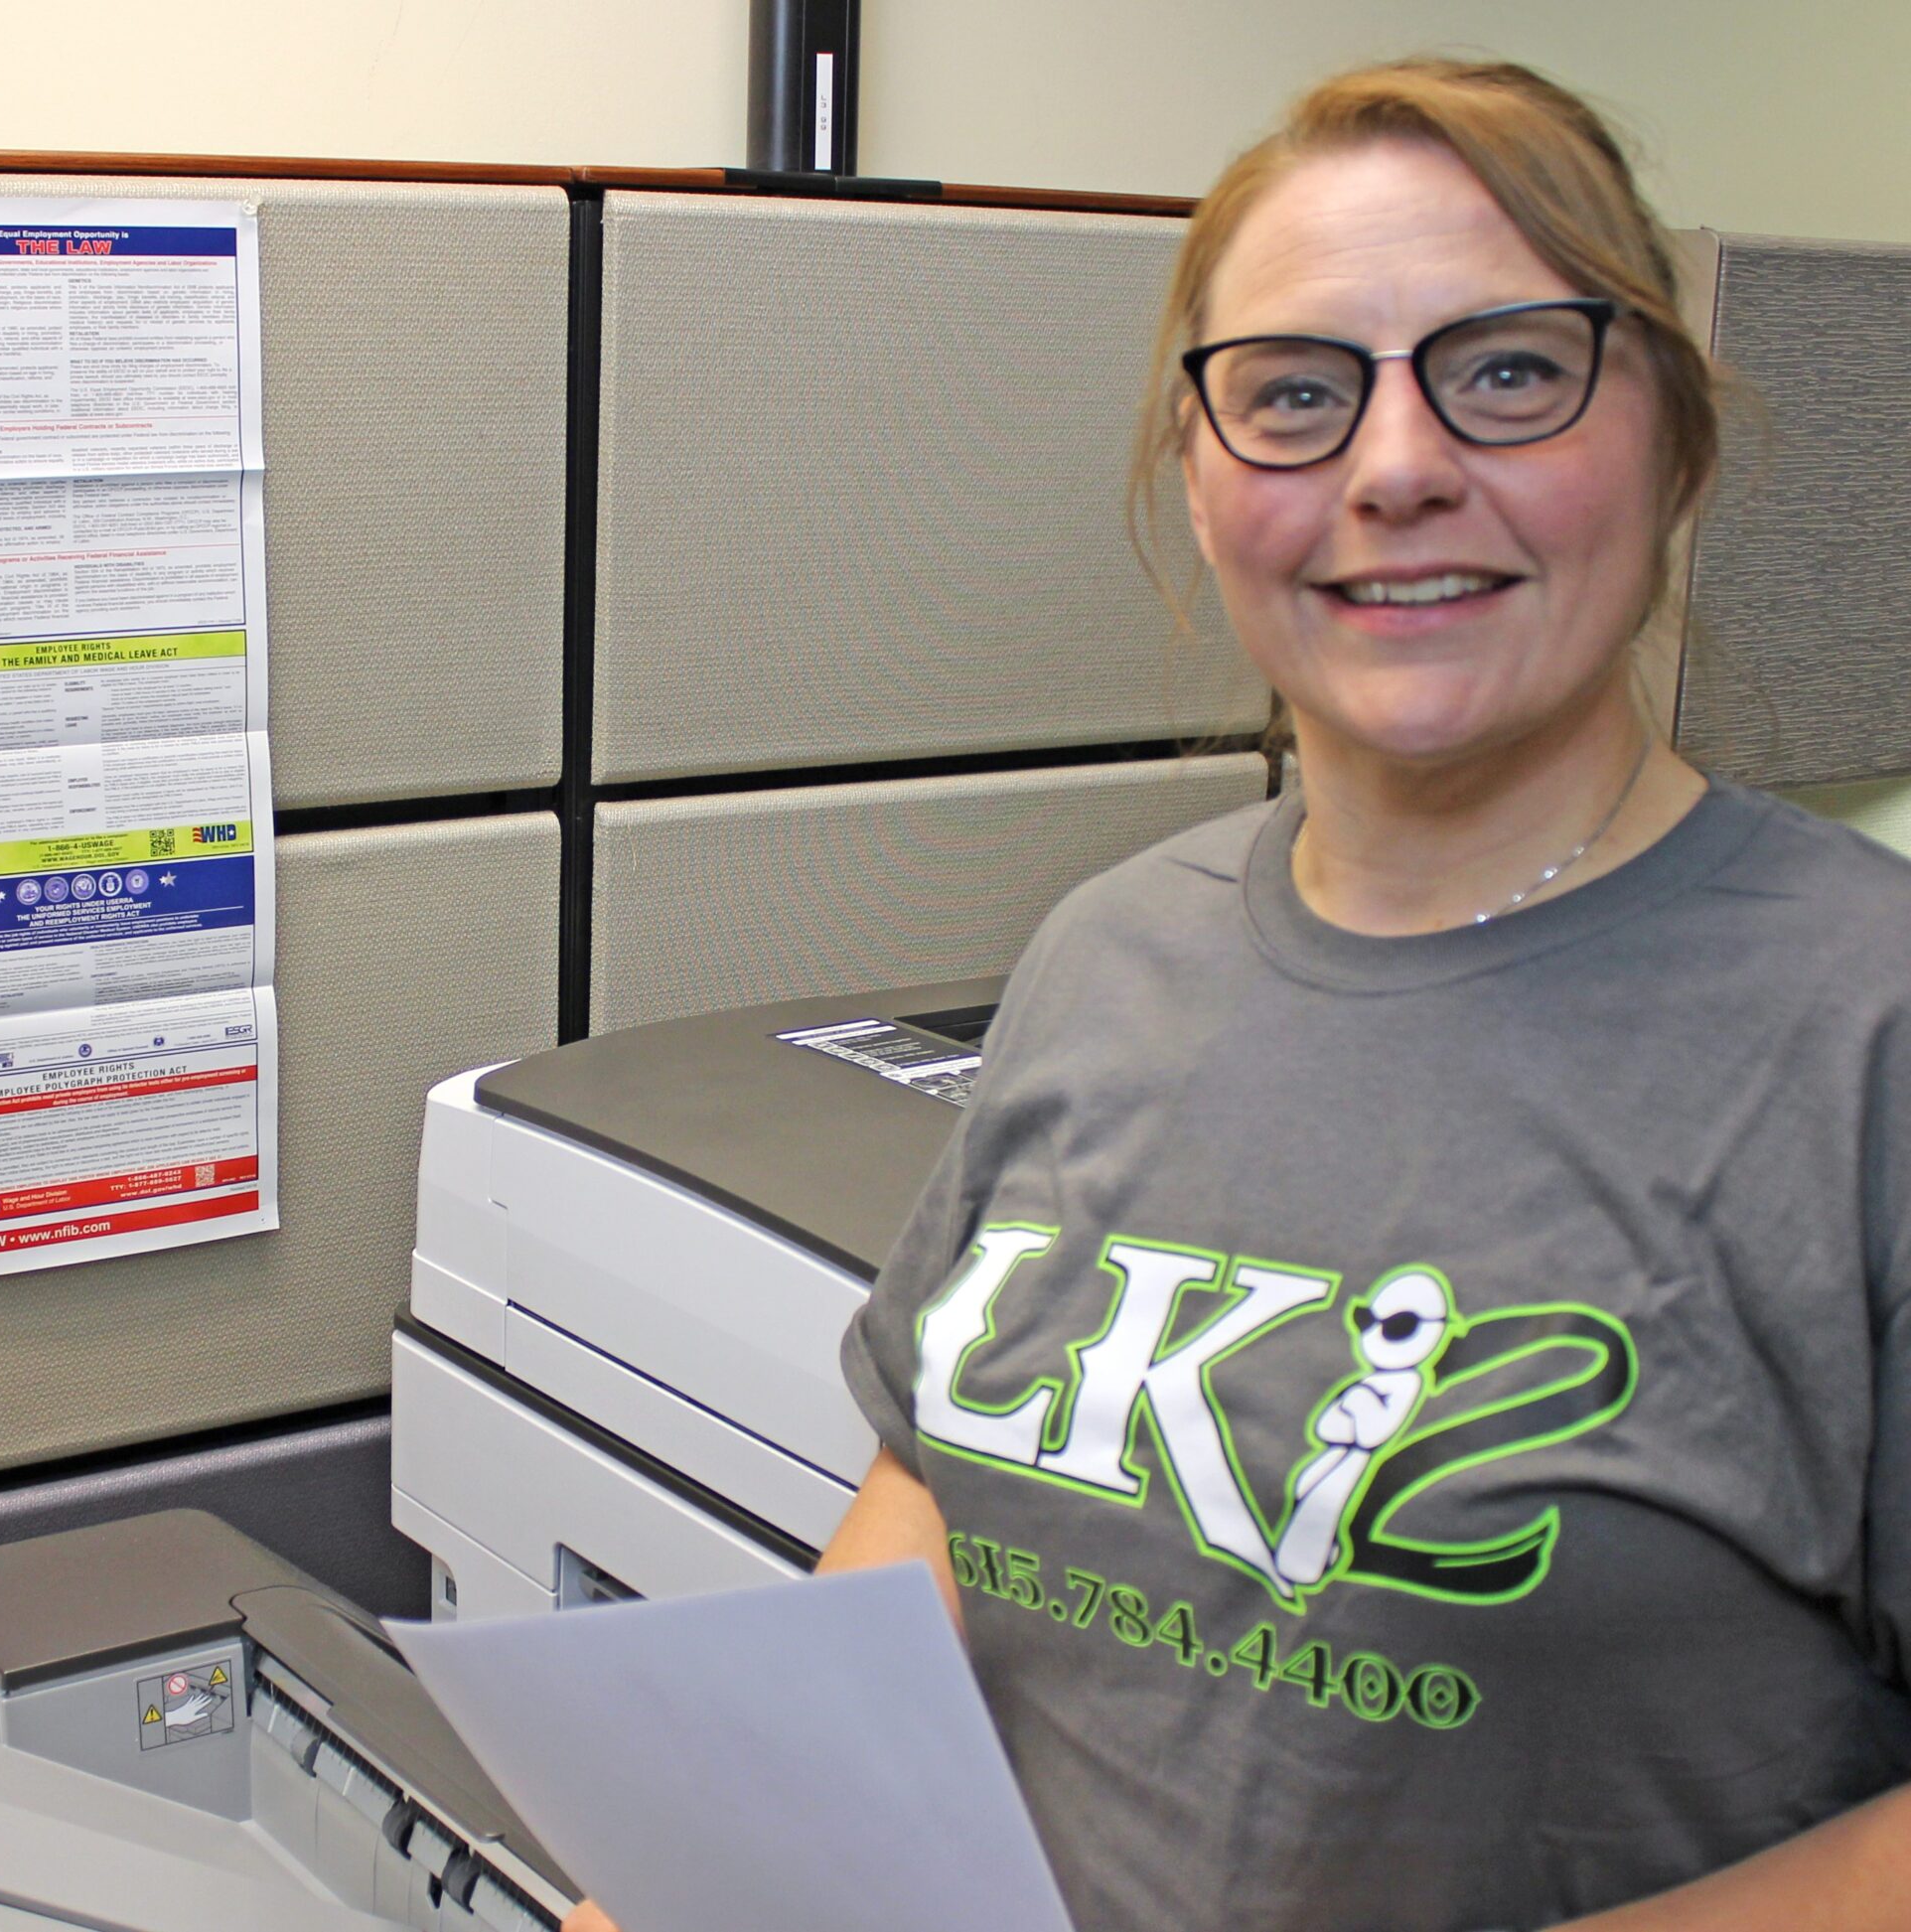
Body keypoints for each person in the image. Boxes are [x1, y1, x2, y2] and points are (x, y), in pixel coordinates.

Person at [568, 58, 1911, 1932]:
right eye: (1294, 393)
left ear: (1673, 444)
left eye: (1509, 370)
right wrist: (733, 1864)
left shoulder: (1866, 1038)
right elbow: (938, 1488)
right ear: (1202, 490)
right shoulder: (1113, 949)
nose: (1396, 465)